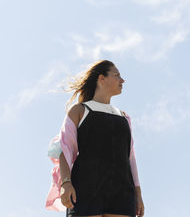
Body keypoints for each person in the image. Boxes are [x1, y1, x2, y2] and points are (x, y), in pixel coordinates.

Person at [45, 60, 145, 217]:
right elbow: (64, 149)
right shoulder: (79, 110)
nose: (122, 80)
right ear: (101, 78)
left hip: (122, 192)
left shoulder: (124, 117)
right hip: (86, 188)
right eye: (117, 75)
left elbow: (130, 158)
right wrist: (65, 183)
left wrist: (138, 194)